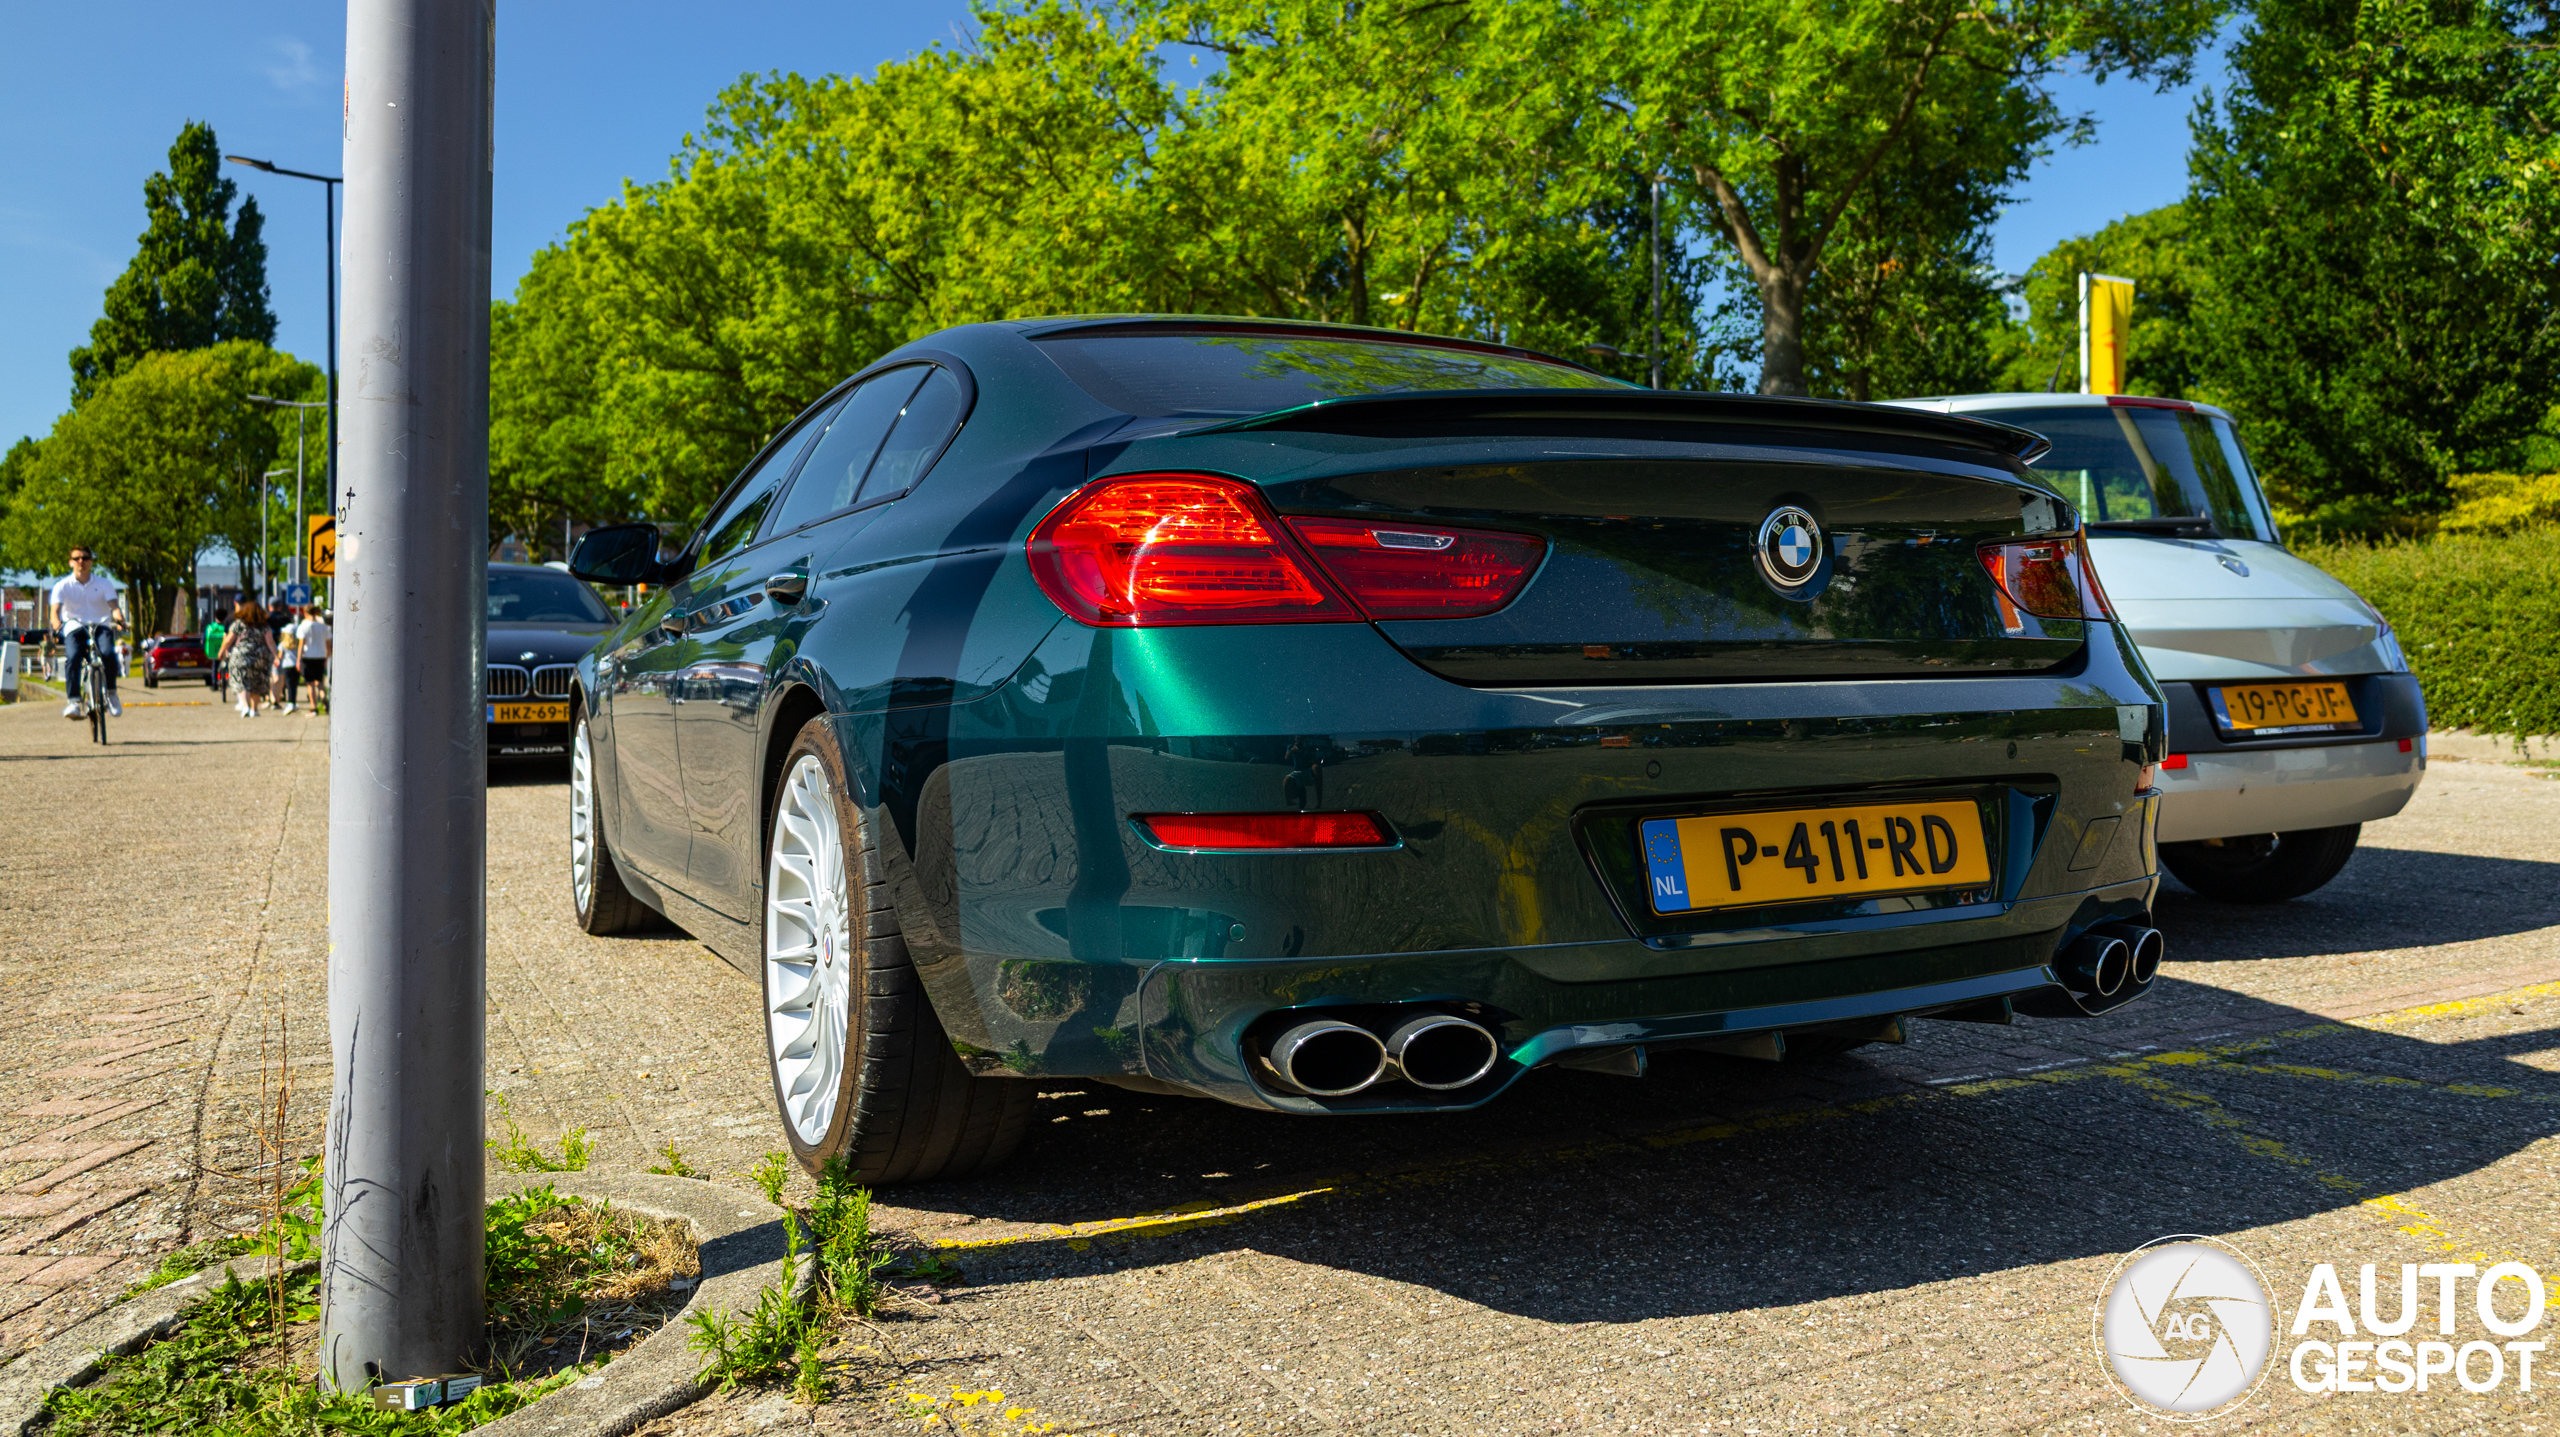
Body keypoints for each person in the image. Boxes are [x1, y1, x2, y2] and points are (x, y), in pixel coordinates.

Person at [49, 546, 126, 720]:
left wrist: (120, 621)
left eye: (84, 558)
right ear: (70, 562)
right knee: (73, 656)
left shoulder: (104, 584)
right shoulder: (62, 586)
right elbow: (54, 612)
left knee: (107, 653)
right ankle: (74, 701)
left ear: (91, 561)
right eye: (76, 558)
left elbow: (114, 607)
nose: (80, 561)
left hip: (100, 624)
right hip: (74, 627)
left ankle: (112, 694)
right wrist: (56, 626)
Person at [219, 599, 275, 717]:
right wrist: (276, 656)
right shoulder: (264, 626)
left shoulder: (238, 624)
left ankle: (245, 707)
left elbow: (228, 640)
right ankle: (254, 709)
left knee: (242, 682)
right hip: (260, 657)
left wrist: (221, 651)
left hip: (241, 656)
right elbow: (270, 642)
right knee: (257, 682)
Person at [294, 606, 331, 715]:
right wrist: (327, 657)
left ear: (305, 613)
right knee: (320, 681)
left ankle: (314, 707)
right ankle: (323, 697)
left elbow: (301, 644)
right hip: (321, 656)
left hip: (308, 656)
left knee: (310, 683)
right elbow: (328, 644)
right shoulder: (324, 626)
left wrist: (298, 660)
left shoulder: (304, 626)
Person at [273, 613, 301, 712]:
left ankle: (290, 703)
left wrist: (276, 661)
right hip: (296, 665)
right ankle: (293, 702)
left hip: (286, 666)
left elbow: (280, 656)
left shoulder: (283, 643)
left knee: (289, 684)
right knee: (294, 685)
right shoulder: (297, 644)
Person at [203, 610, 228, 695]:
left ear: (215, 617)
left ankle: (214, 683)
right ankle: (226, 680)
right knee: (226, 665)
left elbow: (204, 639)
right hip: (225, 651)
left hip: (213, 652)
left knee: (215, 666)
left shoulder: (210, 627)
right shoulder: (226, 627)